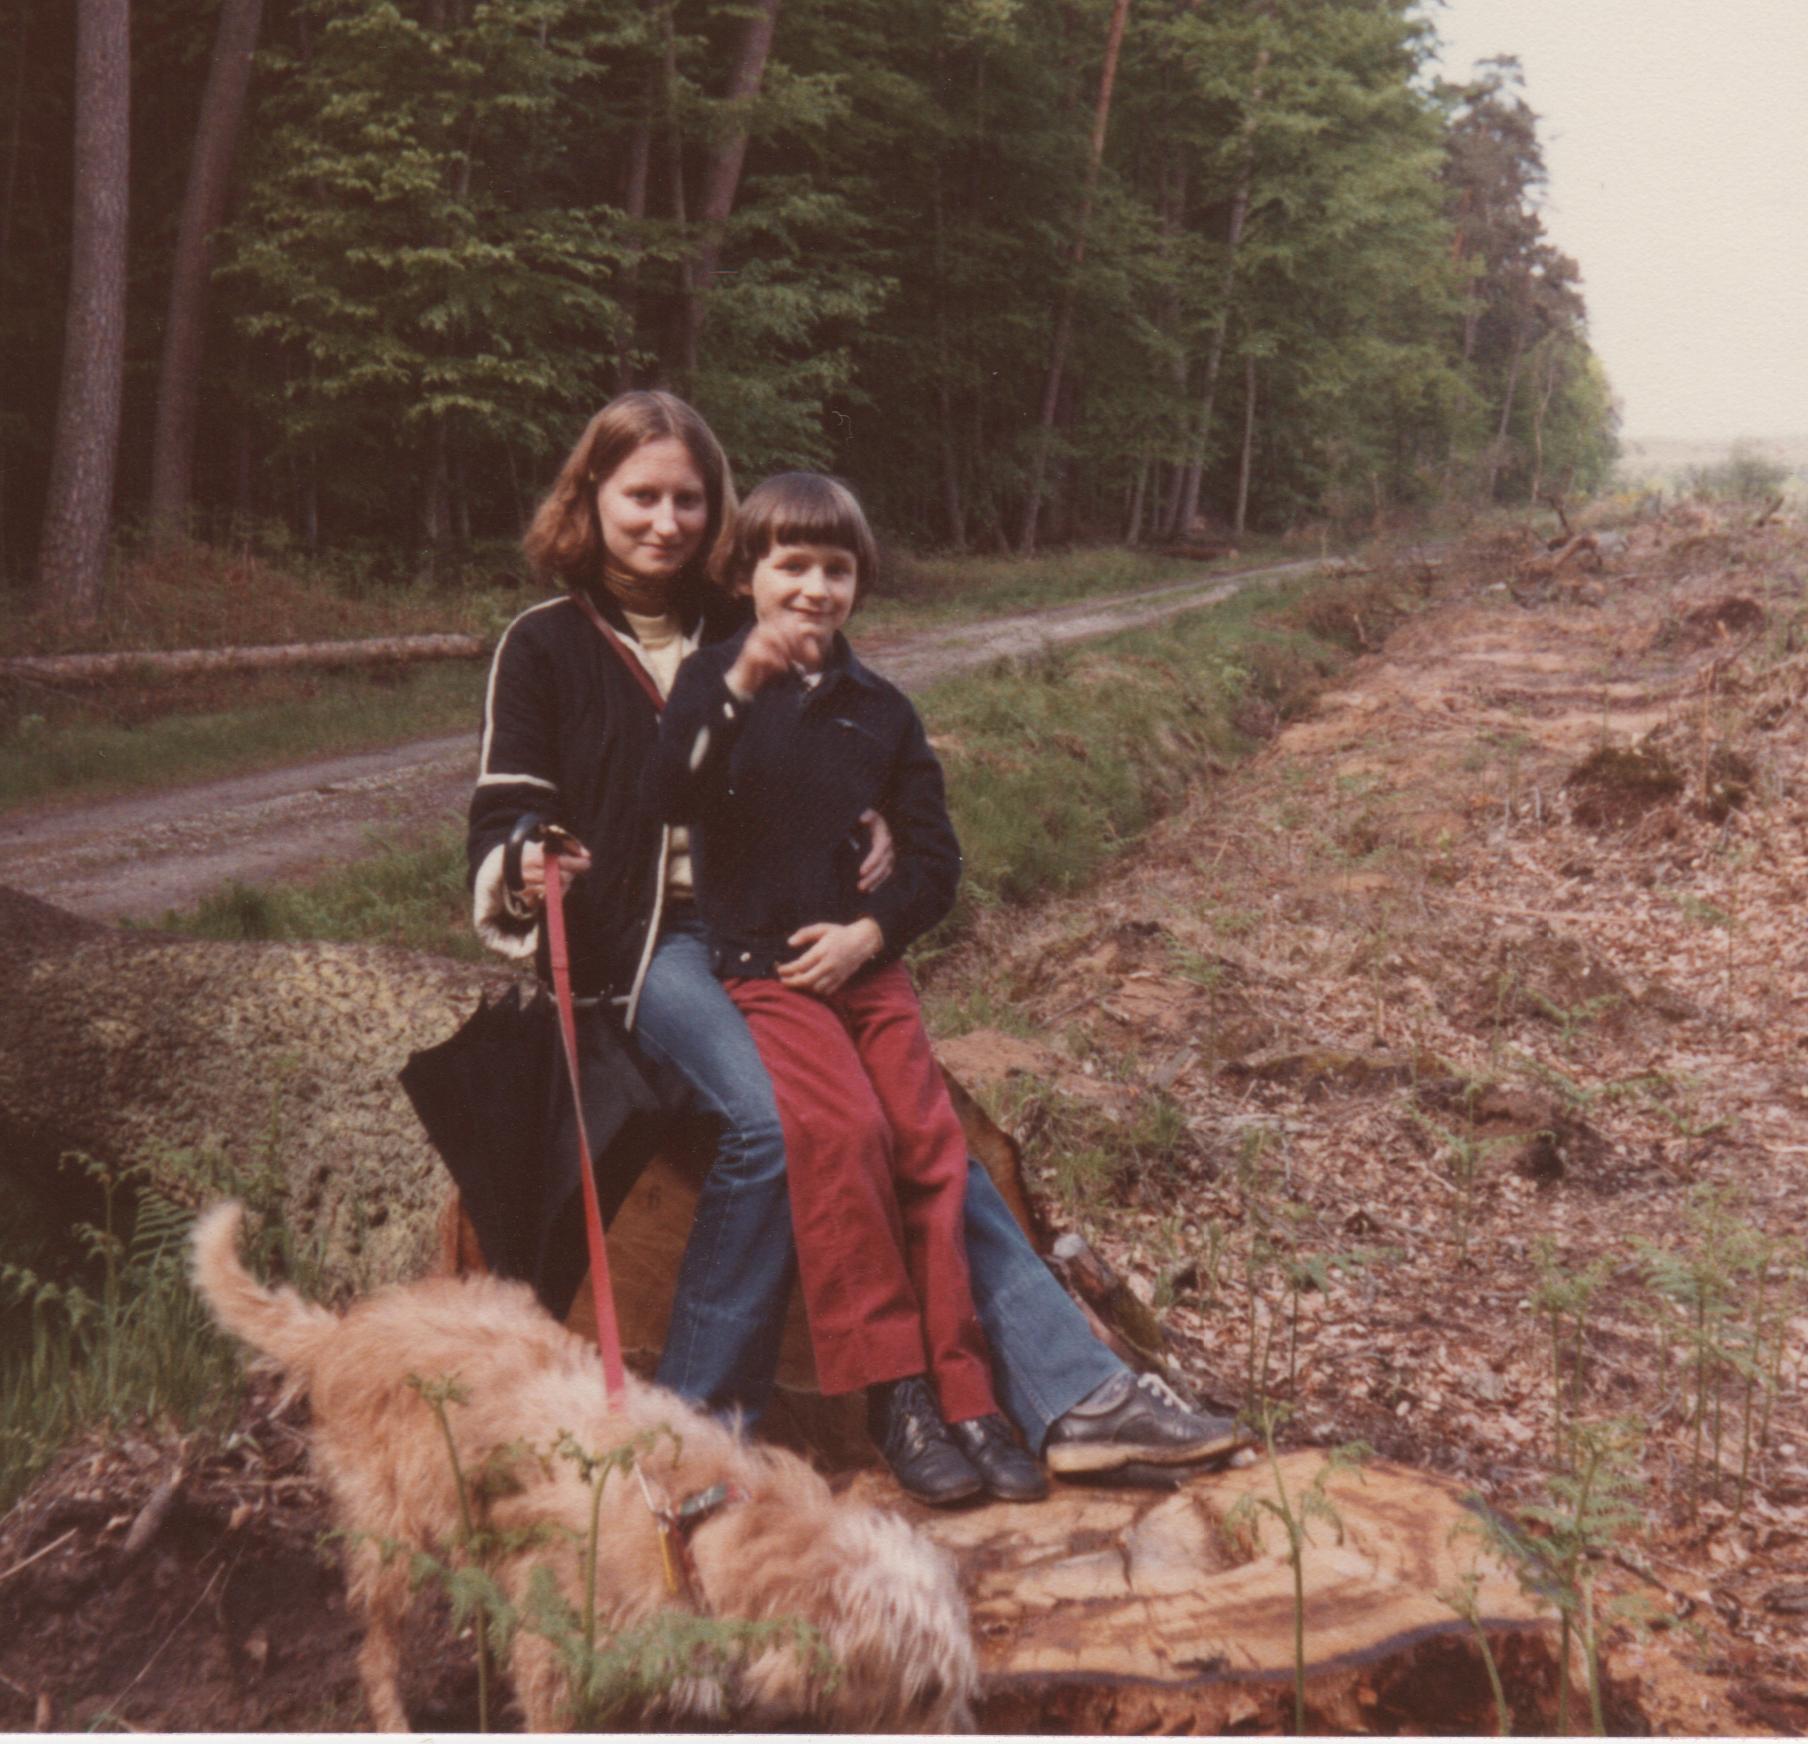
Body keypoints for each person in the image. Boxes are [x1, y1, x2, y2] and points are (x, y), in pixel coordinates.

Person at [466, 390, 1244, 1487]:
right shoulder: (543, 645)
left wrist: (871, 815)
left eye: (689, 499)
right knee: (774, 1125)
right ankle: (691, 1426)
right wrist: (524, 856)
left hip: (777, 923)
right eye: (640, 497)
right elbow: (506, 808)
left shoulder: (758, 608)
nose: (666, 522)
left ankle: (1072, 1397)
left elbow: (848, 738)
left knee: (918, 1128)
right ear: (589, 495)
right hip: (650, 947)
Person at [646, 471, 1047, 1504]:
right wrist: (740, 685)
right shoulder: (712, 684)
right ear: (746, 573)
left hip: (866, 970)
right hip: (767, 971)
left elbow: (935, 861)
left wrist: (871, 931)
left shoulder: (882, 712)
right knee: (842, 1133)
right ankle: (893, 1388)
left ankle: (969, 1396)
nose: (814, 589)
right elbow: (671, 790)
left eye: (836, 569)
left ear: (859, 581)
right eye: (791, 565)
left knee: (930, 1147)